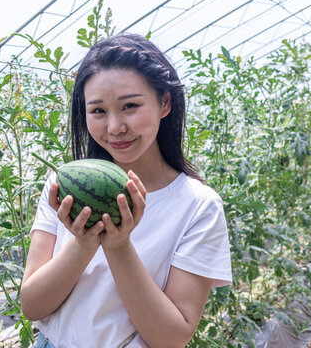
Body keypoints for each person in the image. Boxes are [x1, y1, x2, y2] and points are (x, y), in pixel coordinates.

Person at [20, 33, 232, 348]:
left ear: (164, 102)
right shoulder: (62, 188)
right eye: (98, 111)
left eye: (130, 106)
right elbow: (32, 307)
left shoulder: (198, 206)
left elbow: (171, 338)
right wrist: (82, 243)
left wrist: (119, 248)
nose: (115, 126)